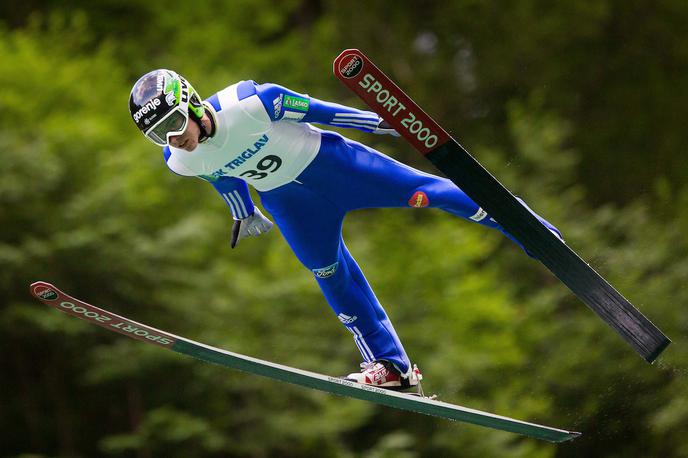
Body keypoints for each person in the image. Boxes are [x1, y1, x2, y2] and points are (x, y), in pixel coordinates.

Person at [128, 69, 562, 391]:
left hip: (336, 167)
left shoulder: (254, 104)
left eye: (173, 124)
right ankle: (391, 366)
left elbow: (323, 111)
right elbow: (220, 175)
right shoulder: (181, 160)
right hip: (291, 205)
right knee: (329, 274)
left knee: (429, 193)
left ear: (194, 104)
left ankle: (530, 230)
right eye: (157, 135)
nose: (171, 139)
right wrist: (242, 212)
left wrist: (383, 122)